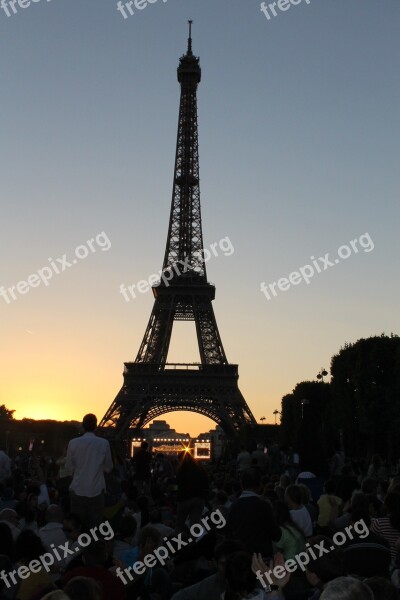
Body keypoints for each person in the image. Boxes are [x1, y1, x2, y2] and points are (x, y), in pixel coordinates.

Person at [65, 414, 113, 528]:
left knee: (77, 527)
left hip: (78, 489)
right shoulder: (104, 443)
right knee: (95, 529)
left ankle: (78, 545)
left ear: (82, 425)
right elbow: (109, 468)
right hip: (97, 490)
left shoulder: (73, 443)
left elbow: (68, 468)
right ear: (96, 426)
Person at [228, 468, 281, 557]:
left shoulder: (233, 507)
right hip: (262, 558)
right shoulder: (264, 505)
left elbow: (230, 535)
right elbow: (276, 535)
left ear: (242, 484)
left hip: (241, 558)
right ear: (260, 485)